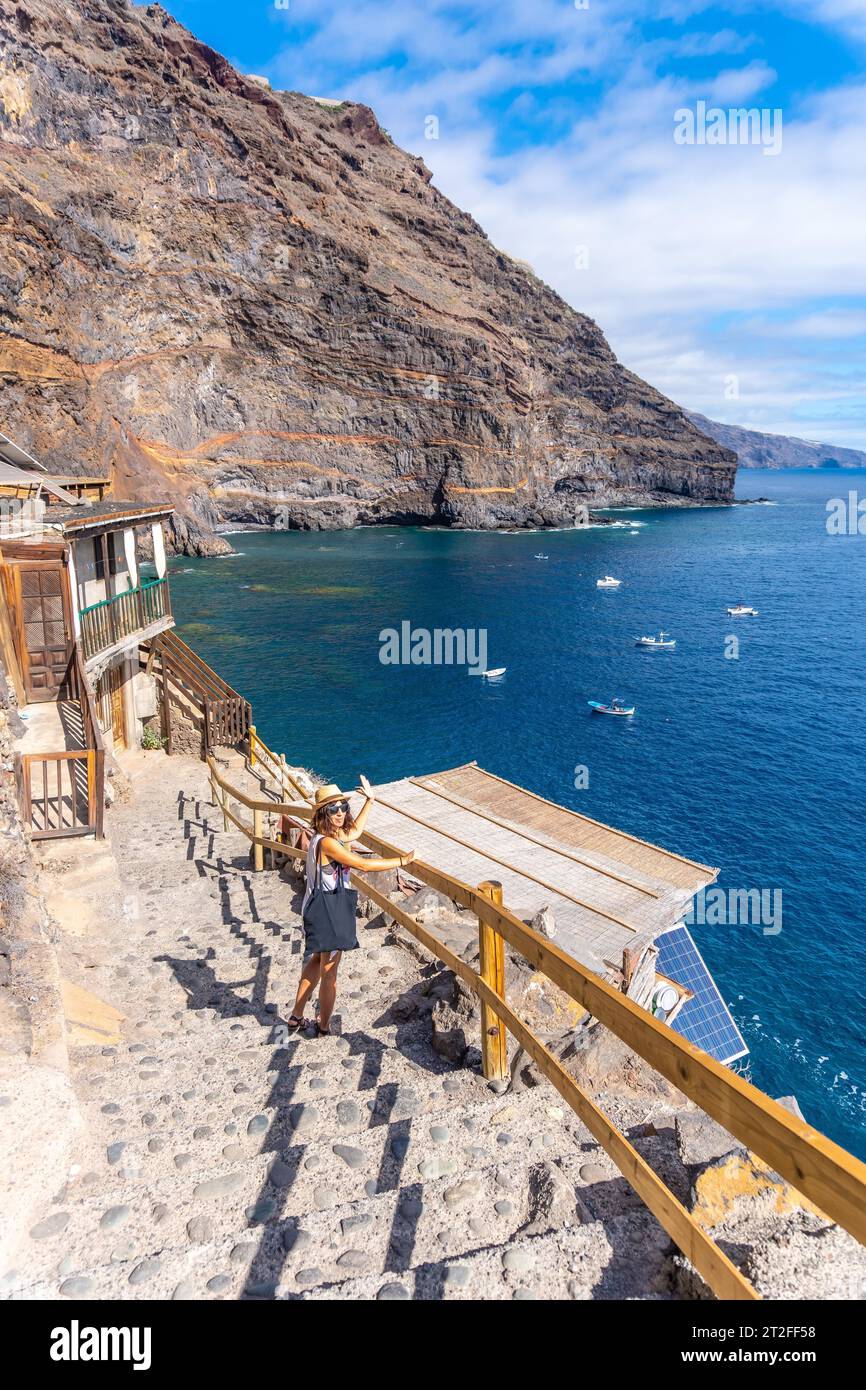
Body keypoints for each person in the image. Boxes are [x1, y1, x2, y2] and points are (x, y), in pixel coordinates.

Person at [288, 775, 415, 1036]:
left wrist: (370, 800)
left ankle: (296, 1016)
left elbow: (354, 831)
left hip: (316, 908)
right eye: (333, 809)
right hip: (330, 913)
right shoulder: (329, 844)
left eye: (343, 807)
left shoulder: (323, 837)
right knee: (330, 973)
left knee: (316, 961)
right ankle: (323, 1026)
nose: (340, 813)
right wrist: (401, 861)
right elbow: (364, 864)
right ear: (323, 813)